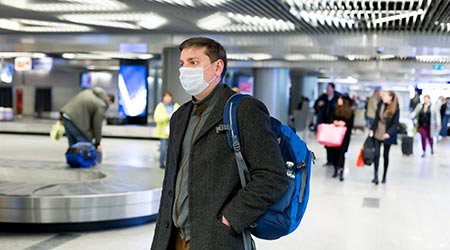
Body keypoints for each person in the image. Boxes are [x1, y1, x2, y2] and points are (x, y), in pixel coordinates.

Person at [151, 37, 288, 250]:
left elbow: (272, 175)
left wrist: (231, 218)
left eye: (193, 62)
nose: (184, 70)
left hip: (216, 238)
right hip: (173, 238)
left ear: (217, 67)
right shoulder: (180, 116)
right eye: (182, 63)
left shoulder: (244, 110)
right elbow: (173, 180)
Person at [60, 87, 115, 160]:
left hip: (66, 116)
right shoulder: (101, 104)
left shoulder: (89, 92)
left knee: (73, 144)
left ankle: (73, 162)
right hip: (75, 120)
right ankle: (86, 163)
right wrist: (97, 143)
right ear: (108, 99)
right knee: (85, 143)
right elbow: (97, 125)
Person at [369, 90, 400, 185]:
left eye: (385, 95)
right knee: (376, 155)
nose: (383, 97)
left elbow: (395, 124)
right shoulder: (380, 104)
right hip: (378, 131)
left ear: (391, 97)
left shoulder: (396, 108)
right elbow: (376, 118)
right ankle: (375, 176)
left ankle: (384, 176)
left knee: (386, 156)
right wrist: (372, 129)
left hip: (387, 133)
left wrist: (389, 133)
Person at [314, 82, 340, 166]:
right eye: (327, 88)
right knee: (327, 143)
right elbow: (316, 106)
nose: (328, 90)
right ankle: (329, 160)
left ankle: (335, 160)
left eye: (329, 88)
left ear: (333, 89)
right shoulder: (323, 97)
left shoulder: (338, 97)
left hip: (334, 125)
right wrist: (319, 105)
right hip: (325, 124)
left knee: (334, 143)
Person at [328, 95, 354, 181]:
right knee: (335, 152)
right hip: (335, 135)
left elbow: (350, 124)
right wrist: (335, 122)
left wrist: (344, 124)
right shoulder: (335, 109)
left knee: (341, 153)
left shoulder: (349, 112)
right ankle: (335, 169)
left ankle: (341, 170)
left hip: (345, 136)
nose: (338, 100)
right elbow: (330, 119)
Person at [153, 91, 180, 169]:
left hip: (174, 132)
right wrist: (167, 117)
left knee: (173, 149)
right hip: (163, 132)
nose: (168, 98)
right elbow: (157, 118)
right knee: (163, 149)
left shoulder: (176, 105)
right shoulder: (160, 106)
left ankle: (172, 164)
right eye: (166, 96)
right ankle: (162, 163)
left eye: (169, 96)